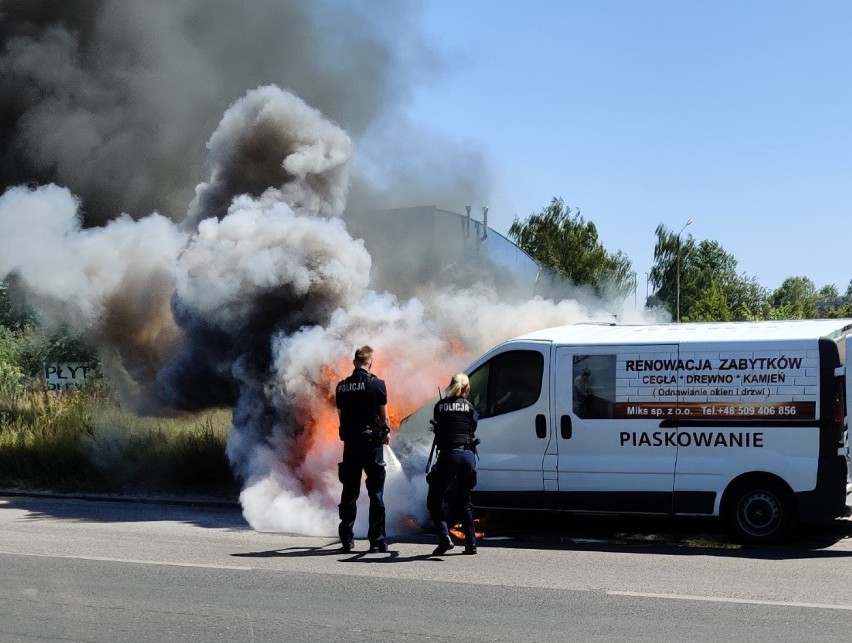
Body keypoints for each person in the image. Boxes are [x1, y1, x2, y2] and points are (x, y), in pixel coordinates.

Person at [335, 345, 390, 553]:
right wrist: (386, 432)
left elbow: (341, 417)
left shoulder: (341, 387)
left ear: (354, 362)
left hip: (351, 445)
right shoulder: (377, 384)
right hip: (371, 445)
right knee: (376, 493)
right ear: (370, 362)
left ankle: (346, 539)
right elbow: (383, 416)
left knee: (349, 492)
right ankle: (376, 540)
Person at [426, 372, 479, 556]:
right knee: (465, 500)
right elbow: (473, 426)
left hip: (448, 456)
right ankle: (471, 544)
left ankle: (444, 538)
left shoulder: (440, 406)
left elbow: (438, 428)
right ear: (467, 388)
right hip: (467, 457)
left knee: (434, 500)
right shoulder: (470, 407)